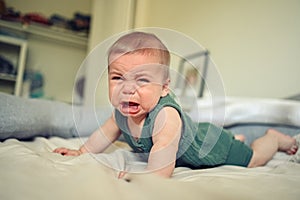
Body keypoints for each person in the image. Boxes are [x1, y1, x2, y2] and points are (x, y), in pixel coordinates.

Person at [53, 31, 298, 178]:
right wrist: (82, 152)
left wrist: (146, 177)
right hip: (197, 131)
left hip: (209, 146)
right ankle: (238, 138)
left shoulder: (165, 116)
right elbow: (104, 134)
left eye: (142, 79)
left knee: (252, 158)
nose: (128, 89)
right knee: (214, 135)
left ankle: (273, 139)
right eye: (117, 78)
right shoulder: (121, 112)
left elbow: (160, 168)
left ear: (165, 87)